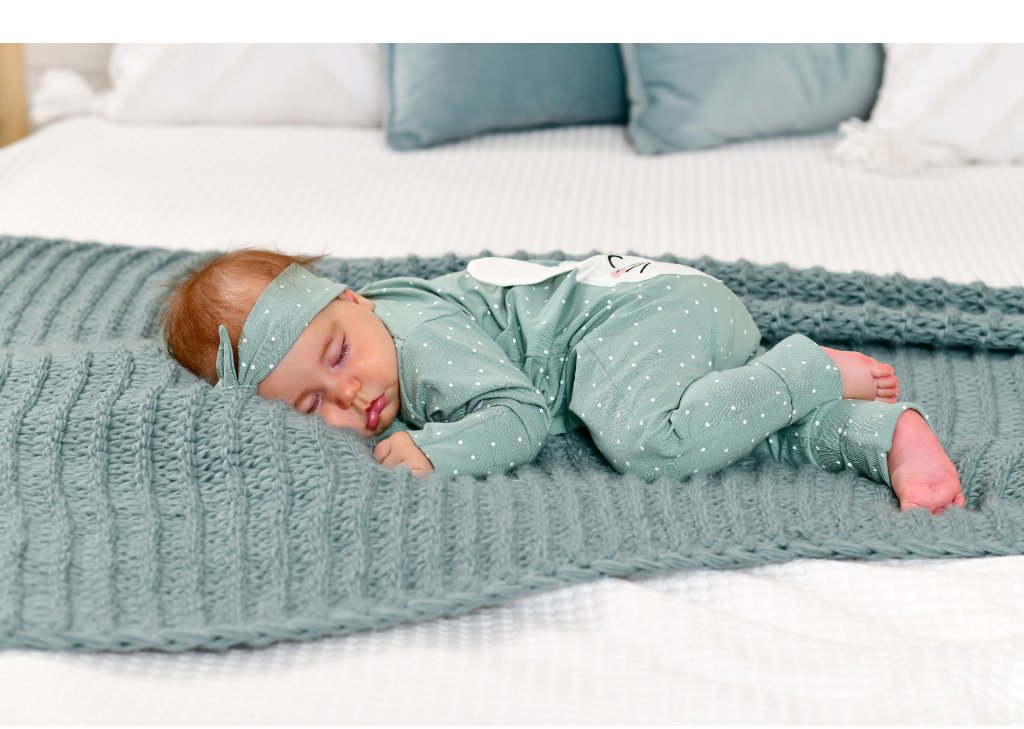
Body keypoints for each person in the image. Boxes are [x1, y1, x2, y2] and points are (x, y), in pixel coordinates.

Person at [162, 248, 966, 514]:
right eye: (311, 405)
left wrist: (435, 451)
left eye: (338, 357)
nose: (349, 398)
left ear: (355, 299)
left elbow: (517, 417)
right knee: (732, 428)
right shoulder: (376, 325)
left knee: (651, 441)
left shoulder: (421, 340)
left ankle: (804, 369)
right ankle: (884, 435)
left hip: (639, 318)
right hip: (663, 326)